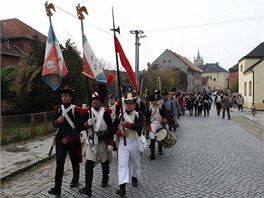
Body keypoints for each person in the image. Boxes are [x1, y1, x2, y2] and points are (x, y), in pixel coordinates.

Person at [79, 84, 114, 197]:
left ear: (101, 101)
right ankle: (88, 188)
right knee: (89, 165)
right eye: (93, 100)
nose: (95, 102)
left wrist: (110, 143)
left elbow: (111, 129)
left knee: (104, 162)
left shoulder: (106, 113)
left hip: (103, 142)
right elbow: (80, 127)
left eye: (97, 100)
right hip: (91, 143)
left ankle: (105, 178)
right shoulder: (86, 113)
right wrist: (87, 123)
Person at [48, 85, 83, 196]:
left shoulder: (75, 110)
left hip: (72, 140)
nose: (64, 98)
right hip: (60, 140)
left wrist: (69, 138)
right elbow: (54, 124)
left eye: (66, 96)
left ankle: (75, 179)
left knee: (74, 159)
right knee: (59, 162)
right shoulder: (58, 109)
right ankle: (57, 188)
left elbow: (79, 126)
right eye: (62, 96)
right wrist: (58, 121)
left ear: (71, 97)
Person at [113, 90, 145, 197]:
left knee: (135, 163)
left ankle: (134, 177)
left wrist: (127, 124)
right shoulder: (120, 115)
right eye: (127, 103)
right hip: (123, 142)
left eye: (131, 103)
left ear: (135, 104)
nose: (128, 105)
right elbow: (112, 128)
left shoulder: (138, 114)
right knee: (122, 164)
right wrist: (119, 132)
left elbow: (140, 127)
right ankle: (122, 187)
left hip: (134, 142)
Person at [145, 90, 167, 160]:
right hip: (152, 124)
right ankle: (152, 153)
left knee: (160, 136)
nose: (155, 102)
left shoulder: (161, 106)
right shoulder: (149, 107)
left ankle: (160, 149)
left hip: (160, 123)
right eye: (154, 101)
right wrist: (147, 125)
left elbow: (164, 114)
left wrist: (164, 119)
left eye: (156, 100)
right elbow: (147, 116)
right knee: (152, 137)